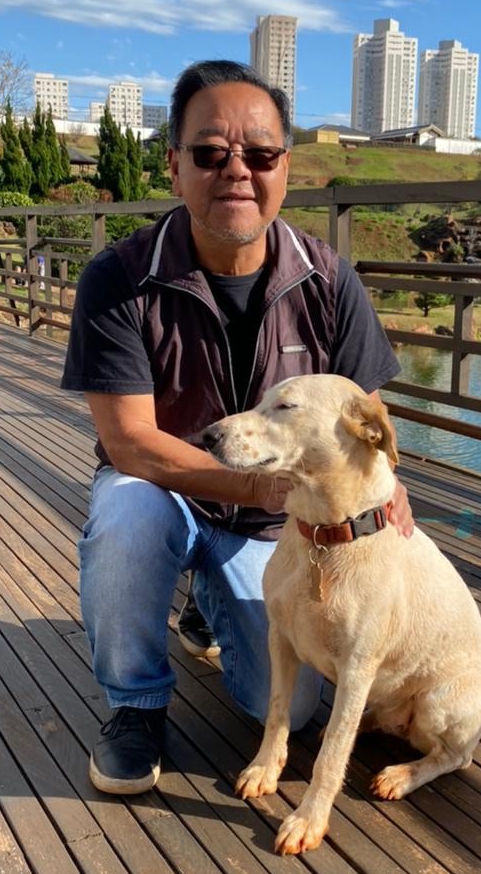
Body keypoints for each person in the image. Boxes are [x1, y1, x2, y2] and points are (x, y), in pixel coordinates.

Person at [61, 59, 412, 795]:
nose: (237, 173)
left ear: (285, 167)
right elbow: (127, 441)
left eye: (259, 155)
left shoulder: (329, 281)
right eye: (211, 154)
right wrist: (263, 488)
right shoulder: (118, 278)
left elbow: (366, 424)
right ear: (175, 168)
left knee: (286, 701)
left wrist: (386, 496)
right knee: (123, 512)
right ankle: (136, 707)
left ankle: (207, 607)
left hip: (276, 530)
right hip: (169, 491)